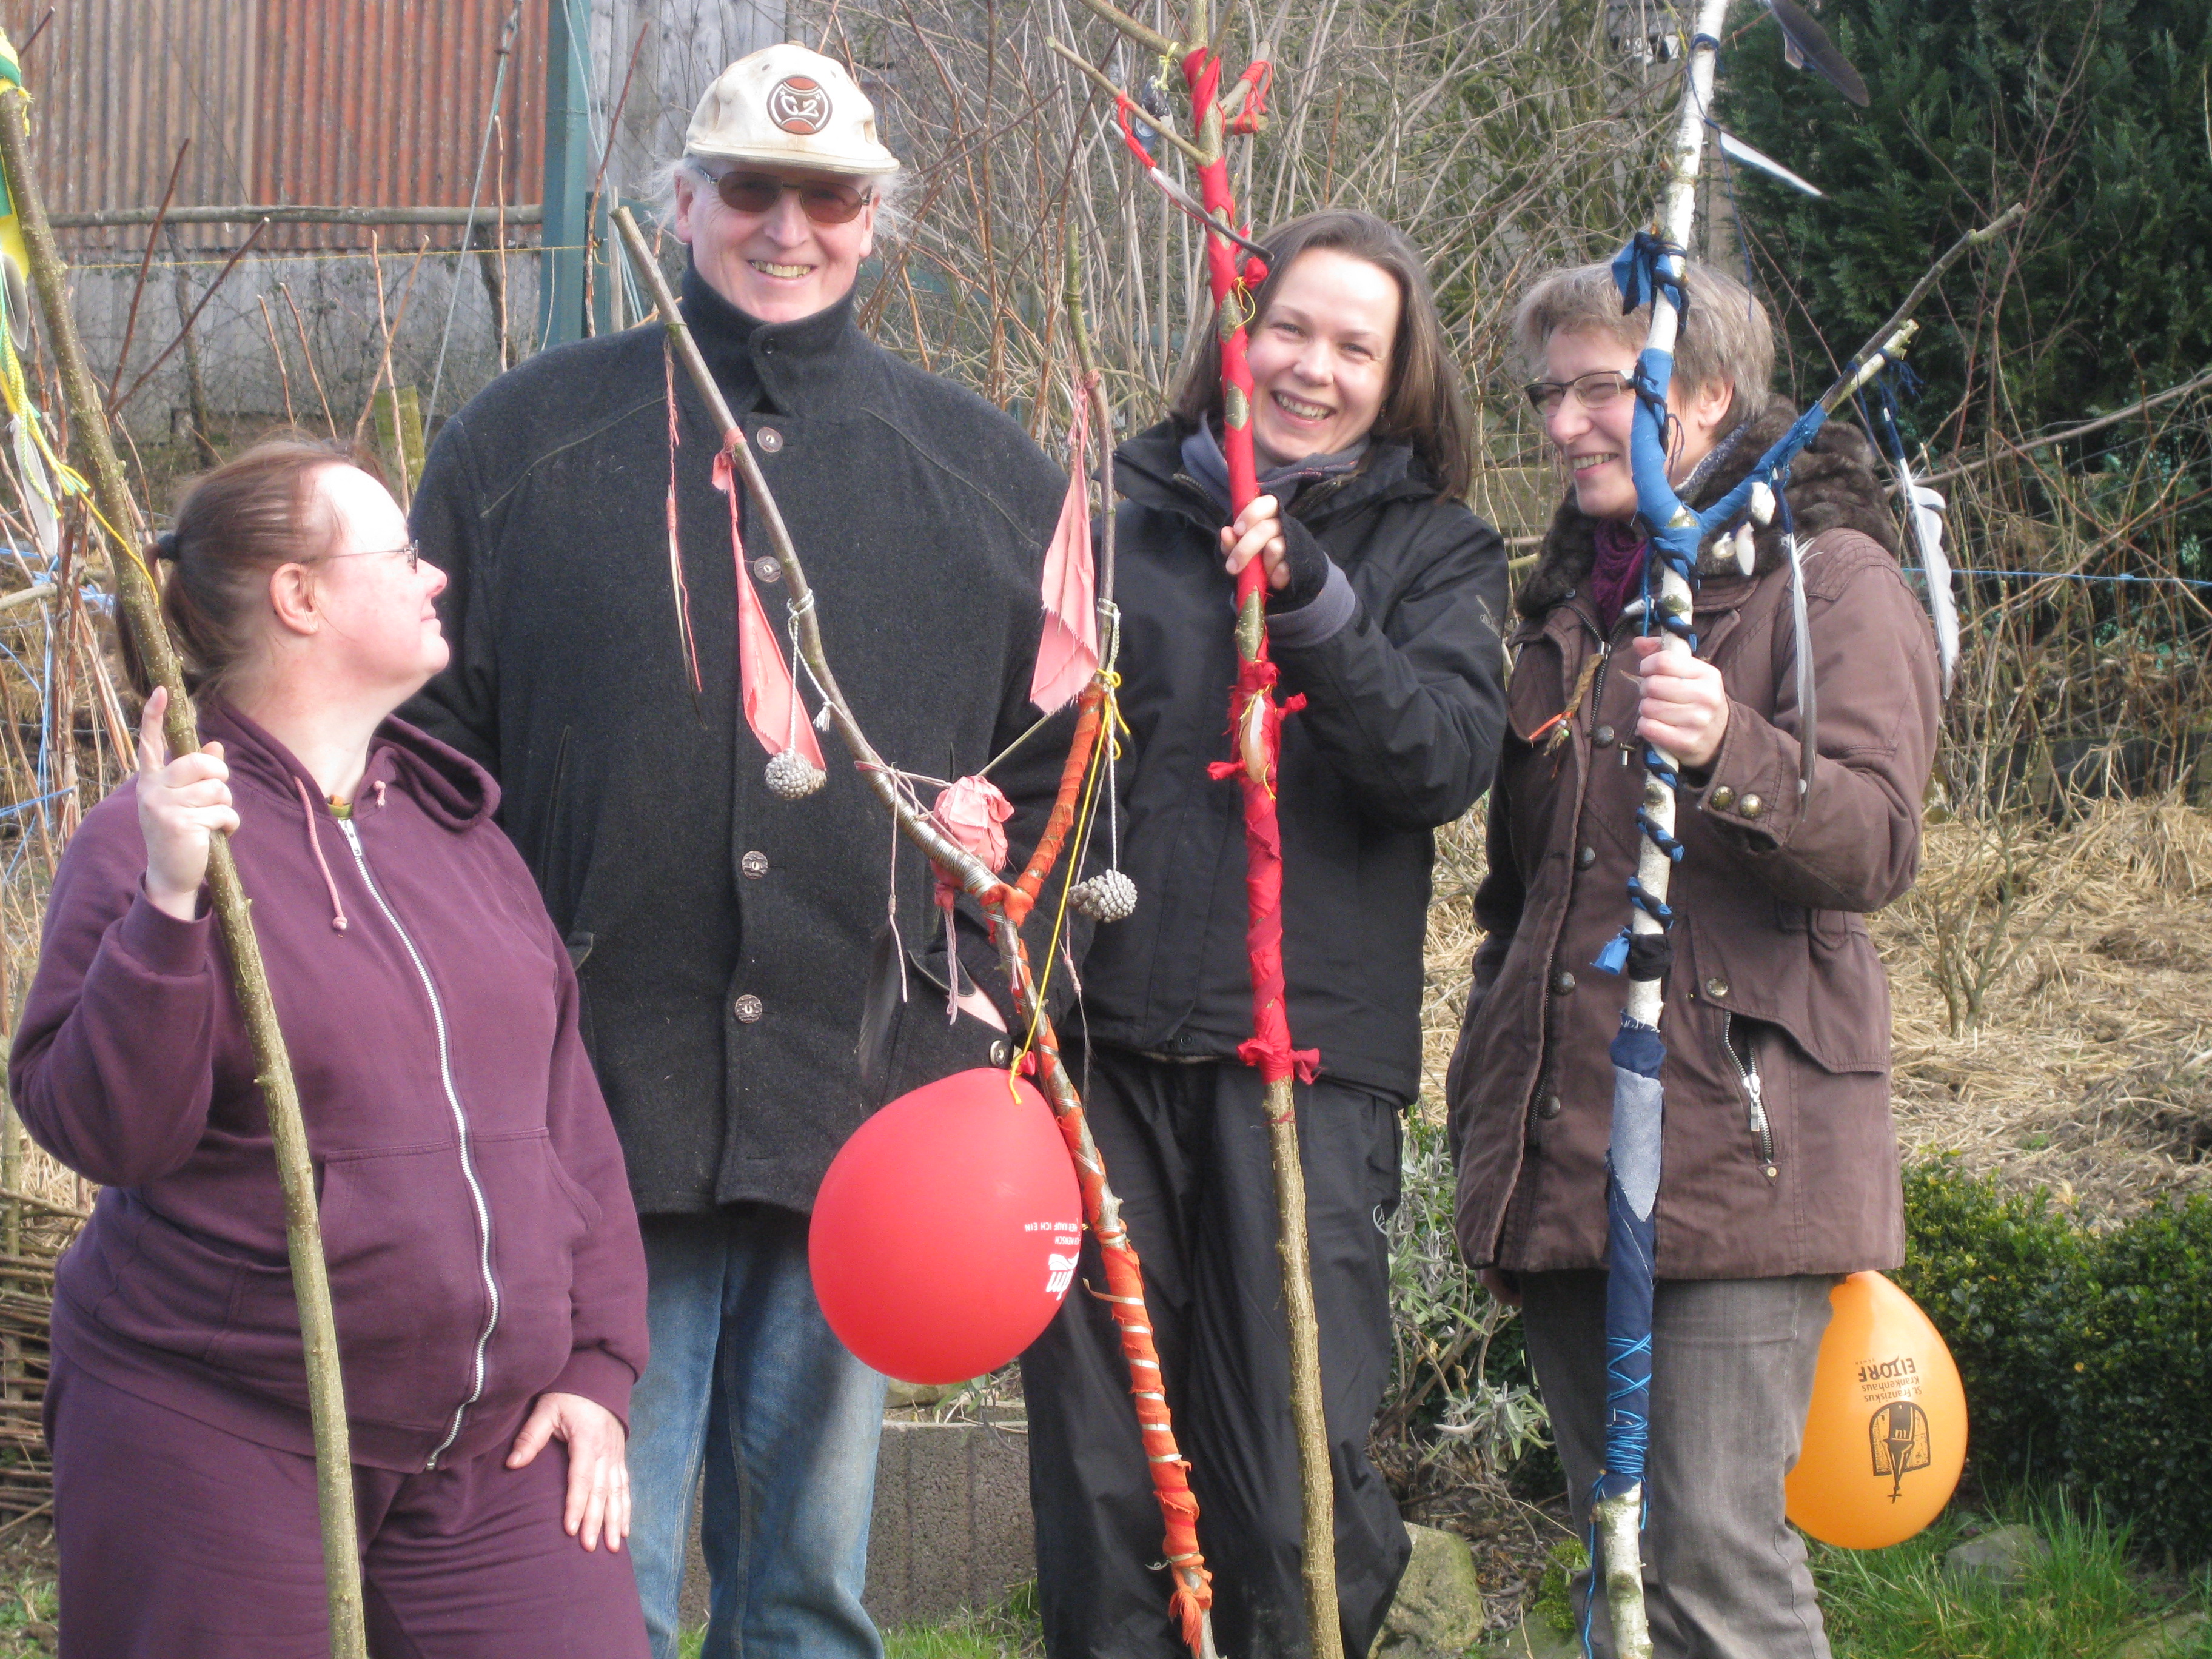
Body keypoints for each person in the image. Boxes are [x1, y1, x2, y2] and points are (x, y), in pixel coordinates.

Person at [405, 41, 1078, 1659]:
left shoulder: (987, 478)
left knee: (807, 1591)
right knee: (595, 1583)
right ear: (683, 201)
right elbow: (426, 773)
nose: (790, 226)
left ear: (875, 219)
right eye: (751, 191)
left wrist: (988, 994)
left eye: (829, 196)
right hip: (590, 1122)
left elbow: (1065, 776)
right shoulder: (518, 449)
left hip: (864, 1124)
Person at [11, 440, 649, 1658]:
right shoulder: (150, 845)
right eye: (401, 553)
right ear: (300, 597)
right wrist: (171, 901)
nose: (437, 577)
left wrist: (599, 1365)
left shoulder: (459, 835)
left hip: (490, 1443)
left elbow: (565, 1121)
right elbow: (107, 1131)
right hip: (224, 1431)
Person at [1019, 209, 1510, 1659]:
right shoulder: (1113, 513)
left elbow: (1436, 761)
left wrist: (1308, 600)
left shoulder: (1439, 551)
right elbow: (1035, 742)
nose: (1314, 367)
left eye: (1356, 346)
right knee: (1107, 1475)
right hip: (1102, 1051)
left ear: (1401, 375)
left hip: (1300, 1069)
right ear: (1236, 336)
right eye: (1289, 328)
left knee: (1289, 1467)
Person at [1447, 259, 1940, 1658]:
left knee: (1715, 1566)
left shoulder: (1827, 581)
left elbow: (1878, 842)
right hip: (1566, 1155)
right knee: (1623, 1567)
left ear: (1710, 392)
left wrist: (1732, 747)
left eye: (1605, 389)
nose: (1564, 425)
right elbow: (1515, 903)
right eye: (1551, 393)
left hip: (1737, 1150)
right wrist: (1489, 1096)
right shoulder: (1565, 617)